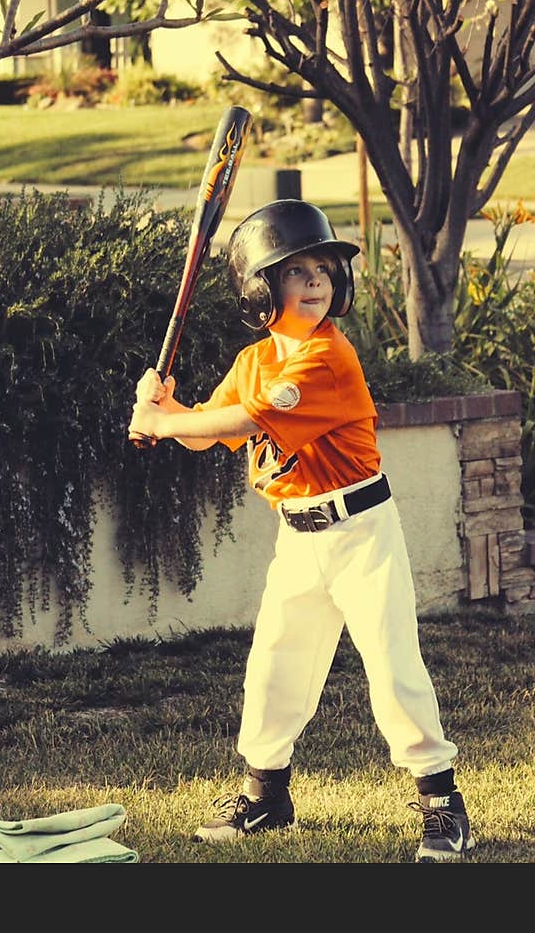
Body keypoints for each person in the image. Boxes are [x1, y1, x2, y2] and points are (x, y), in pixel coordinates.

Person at [127, 199, 474, 863]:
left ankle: (442, 805)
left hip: (361, 531)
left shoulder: (325, 359)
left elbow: (240, 425)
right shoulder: (256, 359)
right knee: (276, 665)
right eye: (296, 272)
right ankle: (266, 798)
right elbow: (209, 431)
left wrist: (165, 422)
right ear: (260, 291)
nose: (316, 281)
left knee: (392, 666)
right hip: (298, 535)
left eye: (323, 269)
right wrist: (166, 407)